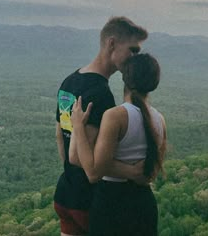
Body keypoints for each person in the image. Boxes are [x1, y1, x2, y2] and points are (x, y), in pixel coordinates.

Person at [54, 16, 149, 236]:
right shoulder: (101, 94)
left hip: (65, 194)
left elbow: (60, 135)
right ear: (112, 44)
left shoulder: (71, 80)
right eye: (132, 50)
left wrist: (71, 177)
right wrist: (131, 171)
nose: (135, 58)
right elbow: (78, 157)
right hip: (88, 202)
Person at [70, 53, 167, 236]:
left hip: (111, 202)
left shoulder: (116, 116)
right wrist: (132, 171)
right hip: (144, 203)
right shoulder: (160, 120)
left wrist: (78, 127)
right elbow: (152, 172)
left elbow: (92, 172)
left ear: (124, 77)